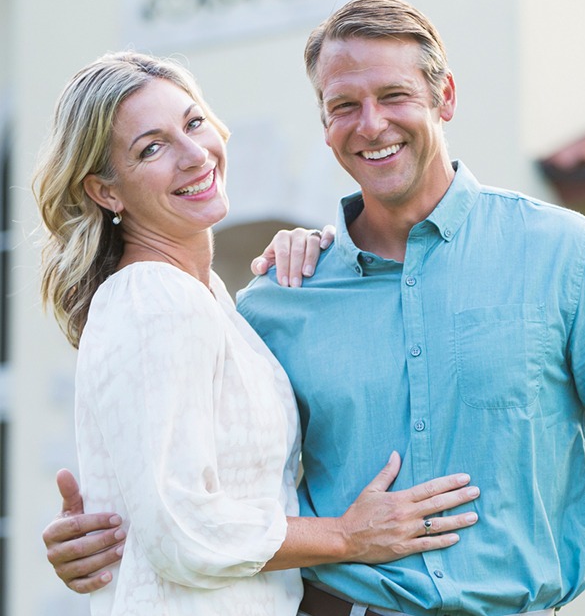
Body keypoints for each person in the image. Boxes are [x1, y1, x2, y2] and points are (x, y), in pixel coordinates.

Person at [43, 0, 585, 616]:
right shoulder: (276, 300)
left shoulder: (567, 254)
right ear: (325, 122)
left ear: (444, 97)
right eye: (344, 105)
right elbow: (195, 494)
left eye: (394, 95)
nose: (372, 125)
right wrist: (107, 530)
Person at [33, 50, 480, 615]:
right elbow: (181, 528)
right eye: (152, 148)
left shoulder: (214, 302)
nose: (194, 156)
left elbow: (201, 496)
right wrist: (348, 535)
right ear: (106, 191)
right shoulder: (152, 297)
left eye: (193, 123)